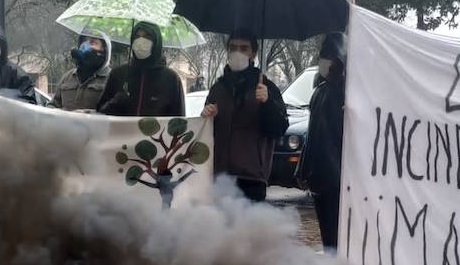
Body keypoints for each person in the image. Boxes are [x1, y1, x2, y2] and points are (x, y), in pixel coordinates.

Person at [201, 31, 289, 201]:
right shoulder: (218, 89)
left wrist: (268, 103)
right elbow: (205, 132)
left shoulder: (266, 87)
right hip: (220, 176)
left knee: (248, 227)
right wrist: (207, 116)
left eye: (244, 48)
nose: (238, 52)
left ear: (253, 53)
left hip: (252, 177)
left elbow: (278, 129)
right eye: (233, 48)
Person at [298, 32, 347, 249]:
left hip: (337, 176)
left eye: (330, 56)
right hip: (319, 174)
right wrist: (302, 167)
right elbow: (313, 133)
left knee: (337, 235)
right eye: (322, 56)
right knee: (327, 234)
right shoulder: (319, 90)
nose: (324, 61)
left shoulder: (347, 90)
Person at [95, 20, 185, 117]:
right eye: (137, 37)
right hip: (121, 132)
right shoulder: (118, 74)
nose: (141, 41)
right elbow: (100, 113)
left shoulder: (171, 79)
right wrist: (115, 102)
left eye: (147, 37)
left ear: (156, 41)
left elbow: (178, 123)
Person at [52, 30, 112, 111]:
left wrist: (88, 115)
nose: (85, 45)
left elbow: (115, 114)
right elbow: (53, 105)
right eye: (84, 42)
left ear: (104, 50)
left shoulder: (112, 78)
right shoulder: (67, 77)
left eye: (92, 42)